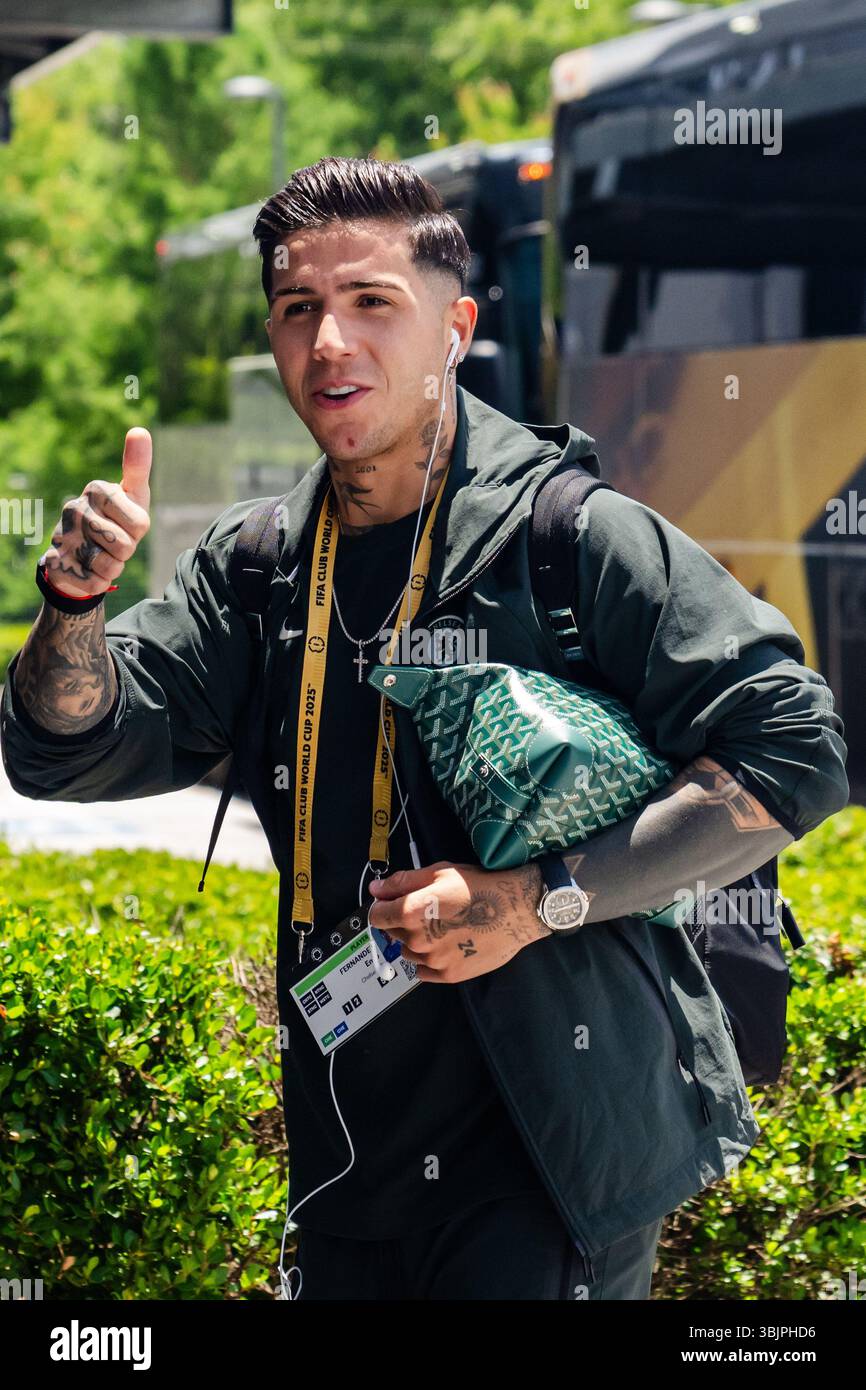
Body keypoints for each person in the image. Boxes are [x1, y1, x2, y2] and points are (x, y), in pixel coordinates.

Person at [1, 157, 848, 1302]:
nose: (329, 343)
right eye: (298, 310)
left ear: (454, 327)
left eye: (371, 305)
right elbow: (65, 745)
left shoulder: (570, 536)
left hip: (545, 1169)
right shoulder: (256, 566)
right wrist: (72, 606)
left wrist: (529, 899)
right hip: (345, 1163)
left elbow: (791, 746)